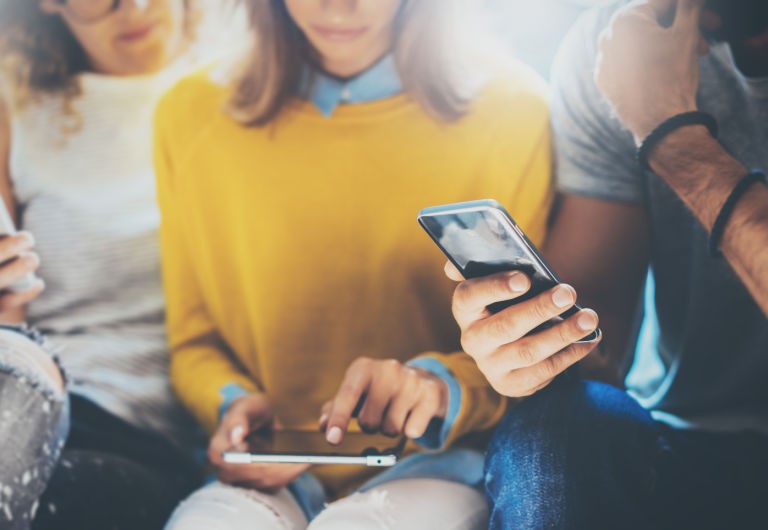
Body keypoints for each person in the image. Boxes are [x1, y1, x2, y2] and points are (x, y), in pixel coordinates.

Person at [154, 0, 554, 527]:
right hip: (268, 473)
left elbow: (532, 340)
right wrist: (230, 403)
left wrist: (435, 388)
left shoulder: (513, 110)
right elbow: (193, 340)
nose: (336, 6)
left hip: (433, 467)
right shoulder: (188, 114)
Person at [444, 0, 768, 528]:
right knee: (555, 426)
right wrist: (533, 347)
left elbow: (671, 135)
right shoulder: (620, 41)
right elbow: (602, 340)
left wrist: (671, 133)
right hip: (694, 436)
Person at [0, 0, 238, 527]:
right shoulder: (14, 109)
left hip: (150, 433)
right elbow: (9, 324)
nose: (133, 7)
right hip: (31, 383)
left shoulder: (245, 89)